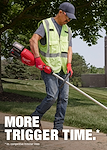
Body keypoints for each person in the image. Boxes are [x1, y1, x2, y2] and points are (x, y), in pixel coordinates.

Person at [29, 2, 76, 137]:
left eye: (70, 18)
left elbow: (69, 49)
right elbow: (33, 40)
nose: (68, 20)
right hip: (48, 67)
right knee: (52, 96)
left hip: (63, 69)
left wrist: (69, 64)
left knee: (64, 98)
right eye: (67, 17)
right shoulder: (46, 24)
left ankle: (58, 128)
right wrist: (38, 59)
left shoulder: (68, 30)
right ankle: (34, 118)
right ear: (60, 12)